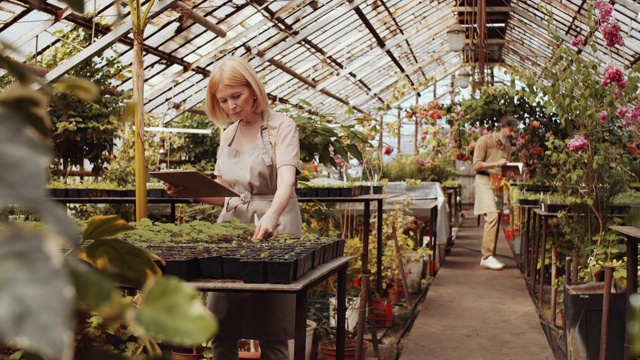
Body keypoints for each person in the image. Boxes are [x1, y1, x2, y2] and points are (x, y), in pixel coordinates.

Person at [164, 56, 302, 360]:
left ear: (253, 89)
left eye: (236, 96)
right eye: (223, 100)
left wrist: (271, 216)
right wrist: (188, 192)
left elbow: (287, 182)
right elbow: (226, 195)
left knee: (272, 328)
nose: (231, 106)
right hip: (233, 228)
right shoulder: (228, 134)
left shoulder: (282, 127)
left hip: (275, 226)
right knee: (220, 323)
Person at [472, 115, 518, 270]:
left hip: (498, 181)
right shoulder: (484, 141)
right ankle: (486, 256)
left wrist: (510, 173)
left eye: (514, 132)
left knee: (497, 217)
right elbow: (476, 165)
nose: (513, 134)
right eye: (511, 130)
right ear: (502, 127)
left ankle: (490, 255)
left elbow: (504, 168)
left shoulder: (507, 146)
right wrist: (495, 163)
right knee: (491, 215)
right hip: (484, 180)